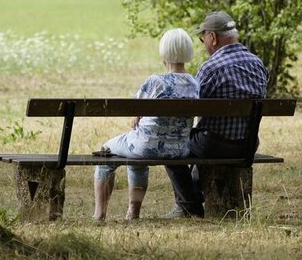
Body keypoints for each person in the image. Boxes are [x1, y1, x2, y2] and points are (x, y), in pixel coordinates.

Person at [164, 11, 269, 218]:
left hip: (214, 145)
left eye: (203, 39)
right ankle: (194, 194)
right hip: (247, 145)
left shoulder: (211, 68)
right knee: (199, 138)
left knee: (170, 144)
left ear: (212, 37)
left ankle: (188, 205)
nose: (204, 44)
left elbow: (190, 106)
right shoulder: (257, 64)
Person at [93, 28, 200, 221]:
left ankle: (99, 214)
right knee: (135, 156)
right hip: (179, 150)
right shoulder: (195, 83)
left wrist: (138, 116)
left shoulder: (155, 82)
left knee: (105, 151)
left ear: (164, 53)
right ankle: (132, 212)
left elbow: (135, 113)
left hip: (146, 147)